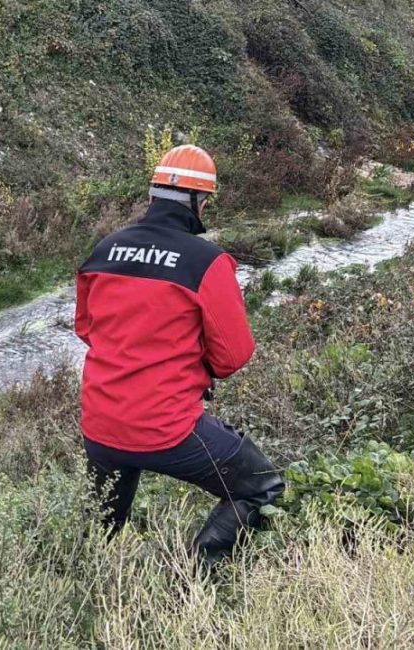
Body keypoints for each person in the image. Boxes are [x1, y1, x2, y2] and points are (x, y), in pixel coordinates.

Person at [74, 144, 285, 567]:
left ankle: (82, 578)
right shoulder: (207, 262)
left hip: (100, 426)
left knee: (101, 525)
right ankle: (197, 575)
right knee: (260, 485)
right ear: (200, 205)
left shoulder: (103, 251)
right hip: (167, 430)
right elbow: (233, 356)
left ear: (152, 196)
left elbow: (86, 328)